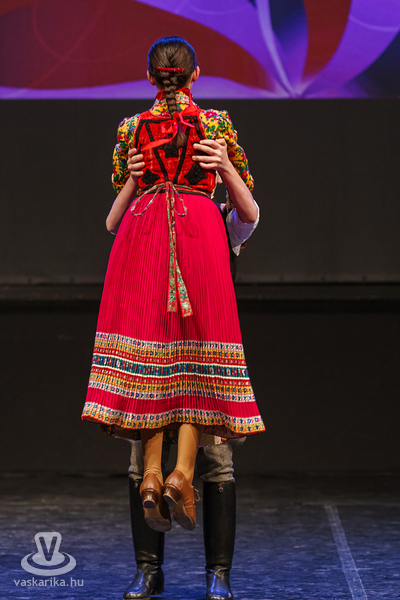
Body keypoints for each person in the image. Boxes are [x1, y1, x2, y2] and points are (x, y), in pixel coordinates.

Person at [81, 35, 265, 596]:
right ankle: (183, 571)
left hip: (149, 251)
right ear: (195, 74)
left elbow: (113, 223)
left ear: (150, 77)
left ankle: (176, 569)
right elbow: (248, 216)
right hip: (193, 248)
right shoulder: (215, 125)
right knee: (196, 418)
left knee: (162, 421)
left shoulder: (132, 131)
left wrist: (144, 180)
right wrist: (223, 169)